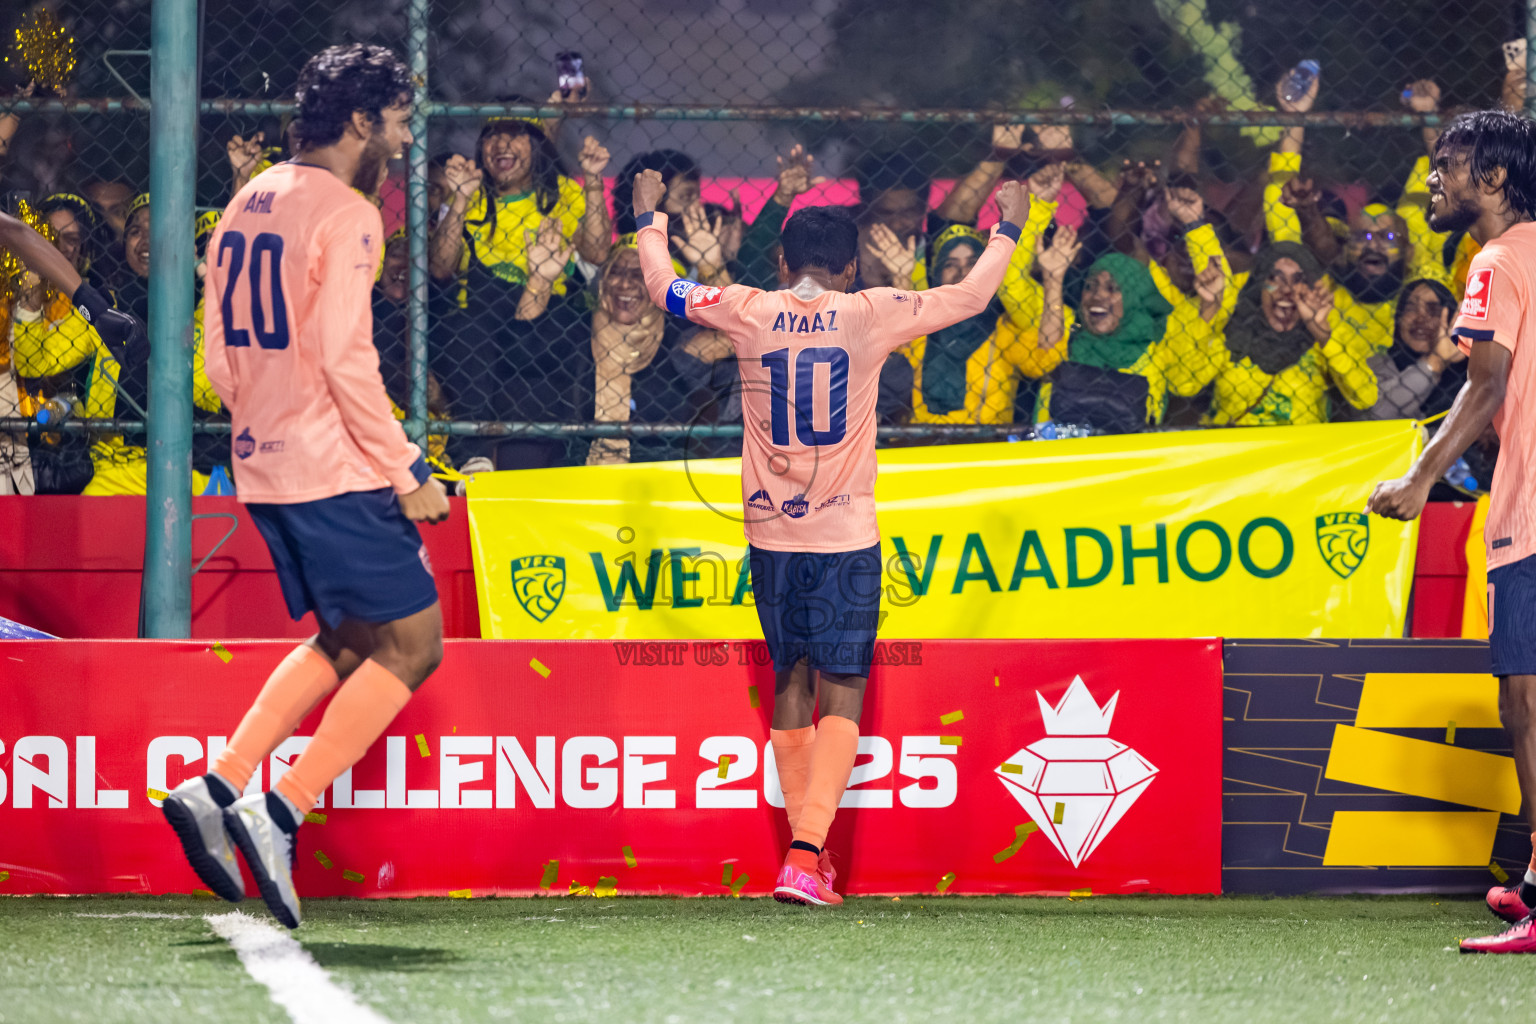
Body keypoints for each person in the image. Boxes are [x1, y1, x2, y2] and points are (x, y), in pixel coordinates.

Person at [632, 166, 1027, 906]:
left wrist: (651, 217)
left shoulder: (747, 307)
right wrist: (1007, 227)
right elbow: (971, 296)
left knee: (790, 681)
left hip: (771, 536)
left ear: (783, 262)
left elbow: (664, 288)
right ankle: (806, 853)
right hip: (845, 536)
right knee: (843, 689)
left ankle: (801, 857)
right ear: (850, 269)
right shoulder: (871, 310)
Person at [160, 43, 450, 931]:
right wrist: (407, 470)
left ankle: (219, 783)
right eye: (399, 117)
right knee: (416, 646)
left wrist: (265, 418)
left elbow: (215, 356)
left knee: (351, 638)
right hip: (333, 467)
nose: (408, 134)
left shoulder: (248, 199)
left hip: (264, 463)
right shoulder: (351, 213)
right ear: (362, 121)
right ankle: (281, 808)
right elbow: (344, 357)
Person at [1365, 109, 1536, 954]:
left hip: (1531, 512)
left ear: (1494, 178)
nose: (1434, 178)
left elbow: (1486, 385)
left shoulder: (1495, 261)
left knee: (1525, 700)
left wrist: (1420, 477)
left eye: (1451, 164)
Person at [0, 207, 142, 495]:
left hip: (177, 450)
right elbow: (33, 363)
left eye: (72, 239)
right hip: (109, 458)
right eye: (51, 238)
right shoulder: (101, 308)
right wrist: (32, 298)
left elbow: (18, 233)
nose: (62, 247)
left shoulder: (197, 306)